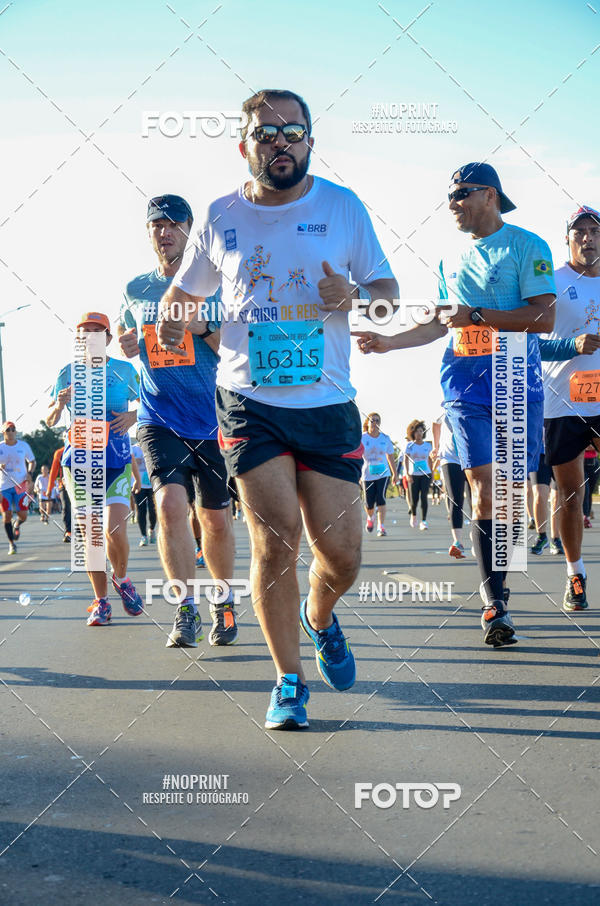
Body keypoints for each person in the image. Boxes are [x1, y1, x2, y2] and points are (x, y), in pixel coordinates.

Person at [157, 89, 398, 728]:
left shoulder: (343, 208)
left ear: (311, 142)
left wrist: (352, 294)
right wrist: (175, 321)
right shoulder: (219, 215)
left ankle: (319, 616)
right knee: (275, 539)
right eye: (266, 133)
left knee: (342, 554)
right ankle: (288, 682)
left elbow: (387, 295)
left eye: (293, 131)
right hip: (248, 402)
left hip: (327, 402)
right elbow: (183, 296)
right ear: (245, 145)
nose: (280, 142)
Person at [355, 162, 556, 646]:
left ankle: (501, 585)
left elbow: (543, 318)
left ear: (490, 195)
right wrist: (388, 342)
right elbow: (439, 323)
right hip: (463, 381)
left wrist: (478, 314)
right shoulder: (448, 260)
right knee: (482, 483)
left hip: (512, 373)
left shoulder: (529, 245)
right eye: (449, 196)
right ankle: (495, 604)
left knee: (506, 492)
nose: (452, 205)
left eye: (461, 194)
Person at [119, 194, 236, 648]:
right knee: (169, 506)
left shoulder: (217, 284)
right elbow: (135, 338)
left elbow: (235, 349)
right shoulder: (135, 288)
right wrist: (130, 344)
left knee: (216, 521)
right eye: (156, 225)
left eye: (173, 224)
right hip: (158, 415)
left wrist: (200, 328)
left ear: (190, 229)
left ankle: (223, 605)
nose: (164, 232)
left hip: (213, 418)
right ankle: (185, 608)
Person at [46, 312, 143, 625]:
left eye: (97, 332)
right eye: (84, 332)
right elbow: (50, 420)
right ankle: (101, 601)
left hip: (116, 457)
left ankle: (123, 578)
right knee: (92, 536)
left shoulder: (125, 370)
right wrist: (60, 405)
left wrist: (133, 416)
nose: (90, 336)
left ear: (108, 339)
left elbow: (149, 401)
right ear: (78, 339)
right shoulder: (67, 373)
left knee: (115, 529)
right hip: (80, 462)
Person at [542, 205, 600, 610]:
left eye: (594, 230)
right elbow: (529, 344)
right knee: (570, 494)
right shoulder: (553, 282)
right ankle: (575, 574)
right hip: (563, 400)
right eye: (579, 231)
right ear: (568, 238)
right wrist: (571, 345)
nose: (587, 237)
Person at [432, 410, 470, 558]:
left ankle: (478, 535)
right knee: (455, 499)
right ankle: (457, 542)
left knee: (476, 499)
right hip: (450, 457)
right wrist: (436, 446)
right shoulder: (446, 406)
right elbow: (436, 423)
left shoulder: (476, 399)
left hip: (472, 457)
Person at [0, 421, 35, 555]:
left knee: (23, 515)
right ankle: (11, 544)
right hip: (4, 487)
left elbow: (32, 460)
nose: (11, 432)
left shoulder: (23, 445)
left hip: (21, 485)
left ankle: (17, 524)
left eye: (13, 429)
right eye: (8, 430)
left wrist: (30, 473)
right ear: (3, 432)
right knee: (6, 515)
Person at [361, 413, 397, 537]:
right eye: (372, 420)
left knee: (381, 498)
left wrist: (395, 474)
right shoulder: (362, 438)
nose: (375, 423)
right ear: (367, 423)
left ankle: (381, 527)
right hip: (367, 474)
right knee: (369, 503)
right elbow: (356, 456)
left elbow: (390, 456)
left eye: (377, 420)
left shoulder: (385, 438)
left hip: (383, 473)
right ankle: (370, 517)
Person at [404, 420, 433, 531]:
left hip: (425, 474)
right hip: (413, 475)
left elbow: (430, 460)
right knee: (414, 499)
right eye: (417, 431)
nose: (419, 433)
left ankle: (424, 521)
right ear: (413, 433)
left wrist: (432, 472)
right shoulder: (409, 446)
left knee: (424, 497)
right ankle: (414, 515)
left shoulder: (427, 445)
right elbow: (406, 460)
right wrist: (407, 474)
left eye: (421, 431)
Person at [131, 442, 156, 546]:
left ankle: (152, 529)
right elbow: (128, 464)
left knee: (152, 509)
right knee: (141, 510)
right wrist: (135, 463)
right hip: (138, 484)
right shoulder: (133, 449)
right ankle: (143, 536)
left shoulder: (152, 445)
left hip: (152, 484)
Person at [48, 442, 71, 541]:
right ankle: (68, 531)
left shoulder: (84, 448)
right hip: (64, 485)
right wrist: (49, 488)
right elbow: (54, 471)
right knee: (66, 507)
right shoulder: (59, 453)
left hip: (80, 484)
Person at [583, 445, 599, 528]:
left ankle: (587, 513)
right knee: (585, 490)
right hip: (579, 463)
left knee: (589, 492)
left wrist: (594, 446)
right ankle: (585, 517)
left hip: (594, 462)